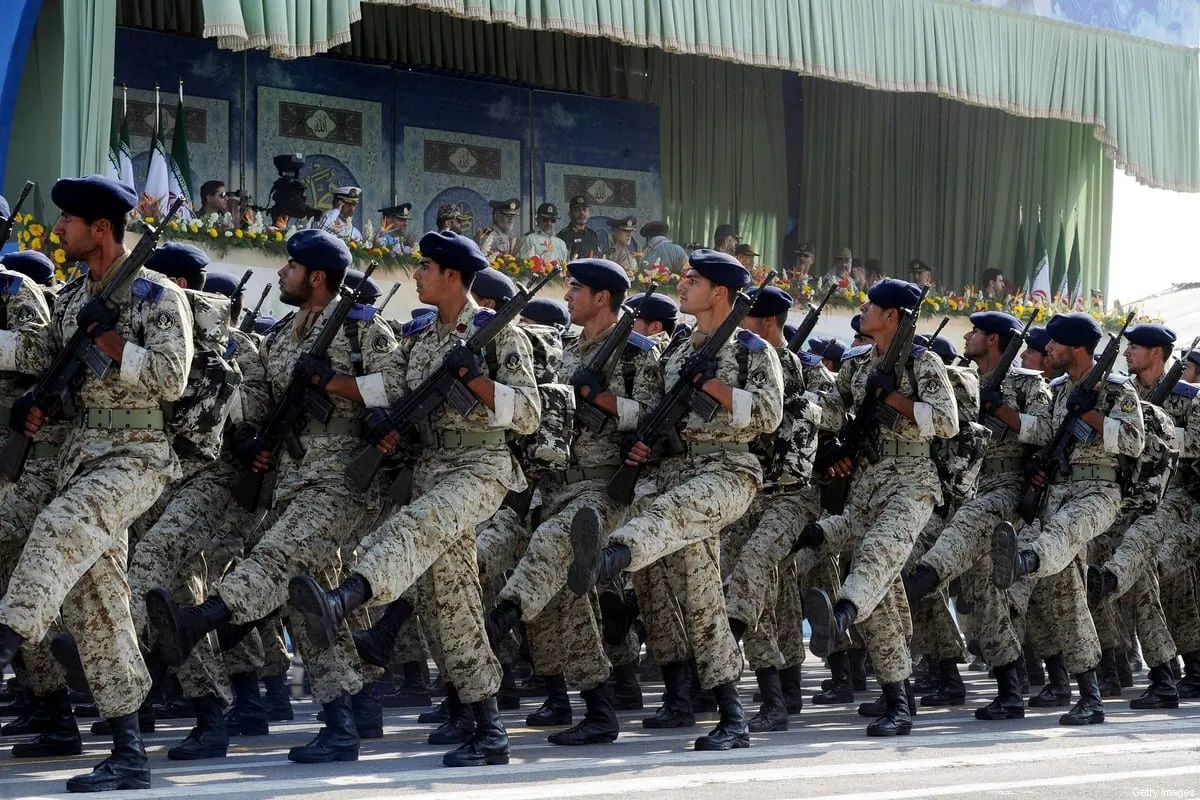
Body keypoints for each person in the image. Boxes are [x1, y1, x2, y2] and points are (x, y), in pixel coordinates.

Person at [286, 230, 540, 769]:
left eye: (425, 267)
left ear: (452, 275)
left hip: (479, 468)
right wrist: (339, 386)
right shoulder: (423, 338)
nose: (417, 275)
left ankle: (347, 597)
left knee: (417, 527)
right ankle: (488, 727)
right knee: (451, 602)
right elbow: (390, 389)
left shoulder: (499, 336)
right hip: (429, 467)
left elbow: (528, 413)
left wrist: (476, 380)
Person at [146, 229, 399, 765]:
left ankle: (205, 618)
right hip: (289, 479)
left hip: (343, 482)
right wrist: (249, 436)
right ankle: (343, 720)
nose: (282, 273)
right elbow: (255, 393)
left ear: (318, 277)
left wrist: (336, 384)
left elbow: (395, 393)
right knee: (308, 603)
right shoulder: (282, 334)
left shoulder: (363, 330)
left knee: (276, 560)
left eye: (291, 266)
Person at [0, 174, 194, 792]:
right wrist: (35, 406)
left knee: (59, 526)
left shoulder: (159, 295)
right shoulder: (67, 298)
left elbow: (172, 377)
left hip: (137, 454)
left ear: (101, 229)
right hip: (79, 455)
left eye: (68, 222)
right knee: (97, 603)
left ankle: (5, 641)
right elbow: (43, 361)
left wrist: (115, 346)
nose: (58, 231)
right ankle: (128, 751)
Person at [567, 248, 785, 752]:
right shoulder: (680, 351)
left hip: (729, 469)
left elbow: (770, 415)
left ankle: (608, 557)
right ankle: (731, 716)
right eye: (683, 278)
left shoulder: (753, 349)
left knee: (667, 513)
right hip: (676, 467)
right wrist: (650, 441)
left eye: (692, 279)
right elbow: (663, 417)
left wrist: (715, 387)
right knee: (700, 593)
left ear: (720, 293)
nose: (682, 286)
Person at [482, 257, 660, 747]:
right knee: (566, 601)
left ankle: (501, 620)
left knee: (550, 546)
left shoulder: (635, 354)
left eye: (576, 289)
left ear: (602, 297)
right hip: (554, 485)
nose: (568, 296)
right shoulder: (566, 351)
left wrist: (601, 398)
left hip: (601, 490)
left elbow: (650, 416)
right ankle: (598, 708)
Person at [801, 277, 958, 737]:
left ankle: (841, 616)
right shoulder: (856, 364)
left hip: (912, 483)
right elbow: (833, 410)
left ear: (892, 317)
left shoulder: (922, 362)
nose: (863, 310)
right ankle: (898, 699)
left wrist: (893, 399)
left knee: (876, 558)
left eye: (871, 305)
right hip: (867, 483)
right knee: (885, 598)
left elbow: (947, 422)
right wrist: (814, 420)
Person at [991, 312, 1145, 725]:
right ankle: (1089, 697)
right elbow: (1045, 434)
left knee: (1060, 532)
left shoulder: (1116, 389)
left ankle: (1023, 561)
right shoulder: (1059, 390)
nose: (1049, 351)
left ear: (1076, 347)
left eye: (1055, 344)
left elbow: (1134, 441)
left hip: (1097, 493)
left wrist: (1092, 414)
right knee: (1066, 597)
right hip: (1058, 491)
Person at [901, 311, 1052, 721]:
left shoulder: (1028, 384)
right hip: (969, 486)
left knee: (966, 534)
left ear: (996, 341)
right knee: (984, 594)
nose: (967, 336)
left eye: (976, 333)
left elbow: (1047, 432)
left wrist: (1004, 411)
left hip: (1009, 490)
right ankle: (1002, 687)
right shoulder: (963, 380)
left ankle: (924, 580)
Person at [557, 195, 600, 260]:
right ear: (570, 213)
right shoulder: (564, 235)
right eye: (577, 210)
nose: (582, 212)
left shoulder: (593, 235)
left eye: (584, 209)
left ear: (589, 213)